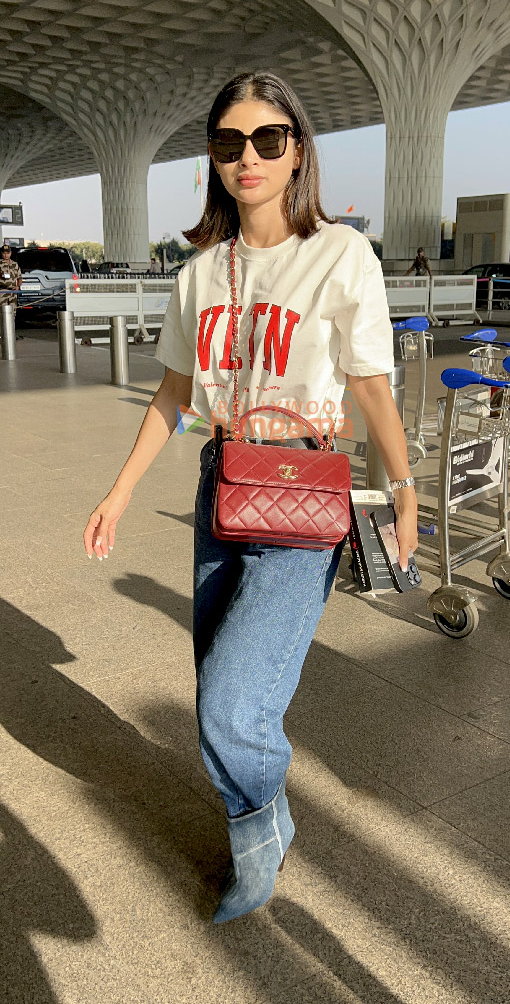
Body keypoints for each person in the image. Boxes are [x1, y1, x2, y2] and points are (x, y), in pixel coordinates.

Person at [83, 72, 418, 924]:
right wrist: (119, 493)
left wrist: (404, 492)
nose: (248, 158)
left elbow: (371, 386)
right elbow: (172, 395)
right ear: (212, 161)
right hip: (223, 484)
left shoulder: (340, 253)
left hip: (303, 492)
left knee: (234, 706)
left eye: (269, 139)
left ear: (298, 149)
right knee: (215, 698)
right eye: (229, 144)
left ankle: (260, 821)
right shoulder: (198, 271)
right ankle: (253, 814)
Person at [0, 243, 21, 314]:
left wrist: (18, 286)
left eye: (7, 253)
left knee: (12, 313)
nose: (6, 255)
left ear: (11, 253)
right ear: (1, 253)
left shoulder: (15, 264)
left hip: (13, 293)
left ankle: (12, 325)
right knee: (3, 313)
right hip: (2, 292)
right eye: (4, 253)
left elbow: (19, 278)